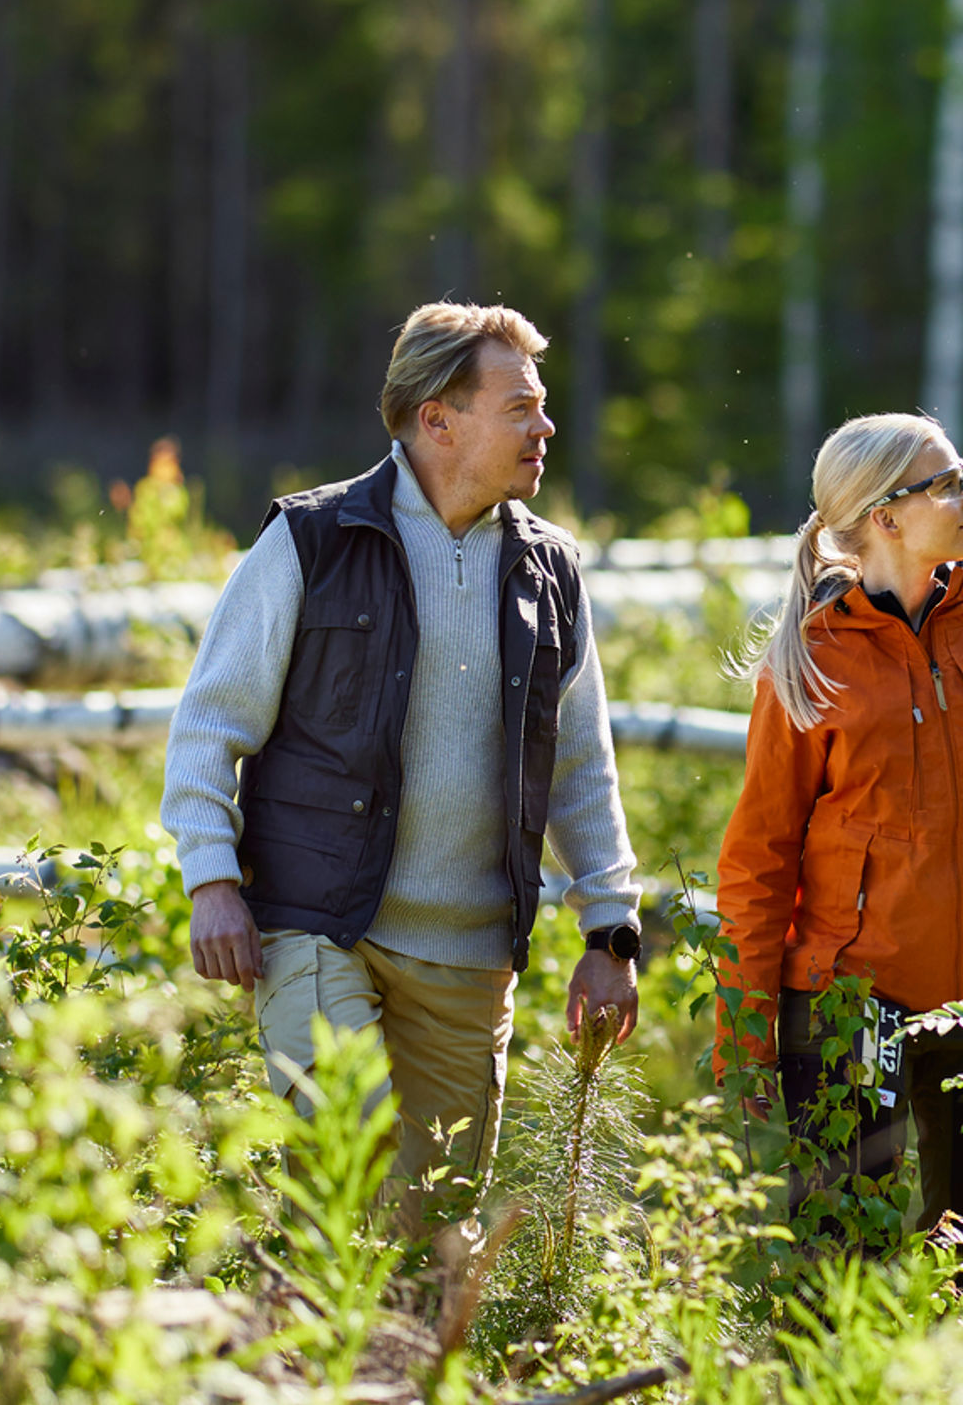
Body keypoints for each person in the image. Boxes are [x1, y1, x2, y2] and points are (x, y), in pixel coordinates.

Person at [164, 302, 645, 1236]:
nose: (546, 427)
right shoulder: (310, 541)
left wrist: (611, 929)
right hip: (319, 923)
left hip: (468, 956)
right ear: (438, 419)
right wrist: (211, 878)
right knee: (343, 1172)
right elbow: (209, 723)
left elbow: (581, 761)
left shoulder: (551, 570)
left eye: (542, 407)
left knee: (430, 1234)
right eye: (522, 407)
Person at [715, 413, 963, 1258]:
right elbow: (760, 854)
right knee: (842, 1263)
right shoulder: (812, 658)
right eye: (949, 483)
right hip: (855, 1001)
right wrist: (745, 1027)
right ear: (885, 516)